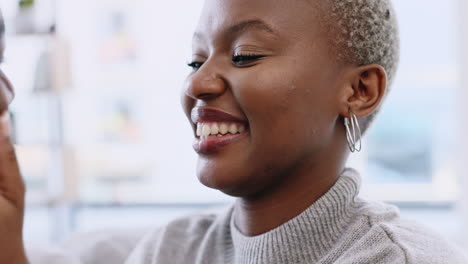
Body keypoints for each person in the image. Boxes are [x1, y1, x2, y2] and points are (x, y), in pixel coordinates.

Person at [1, 1, 467, 263]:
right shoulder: (173, 250)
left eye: (245, 55)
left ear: (359, 90)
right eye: (195, 59)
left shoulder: (394, 260)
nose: (197, 83)